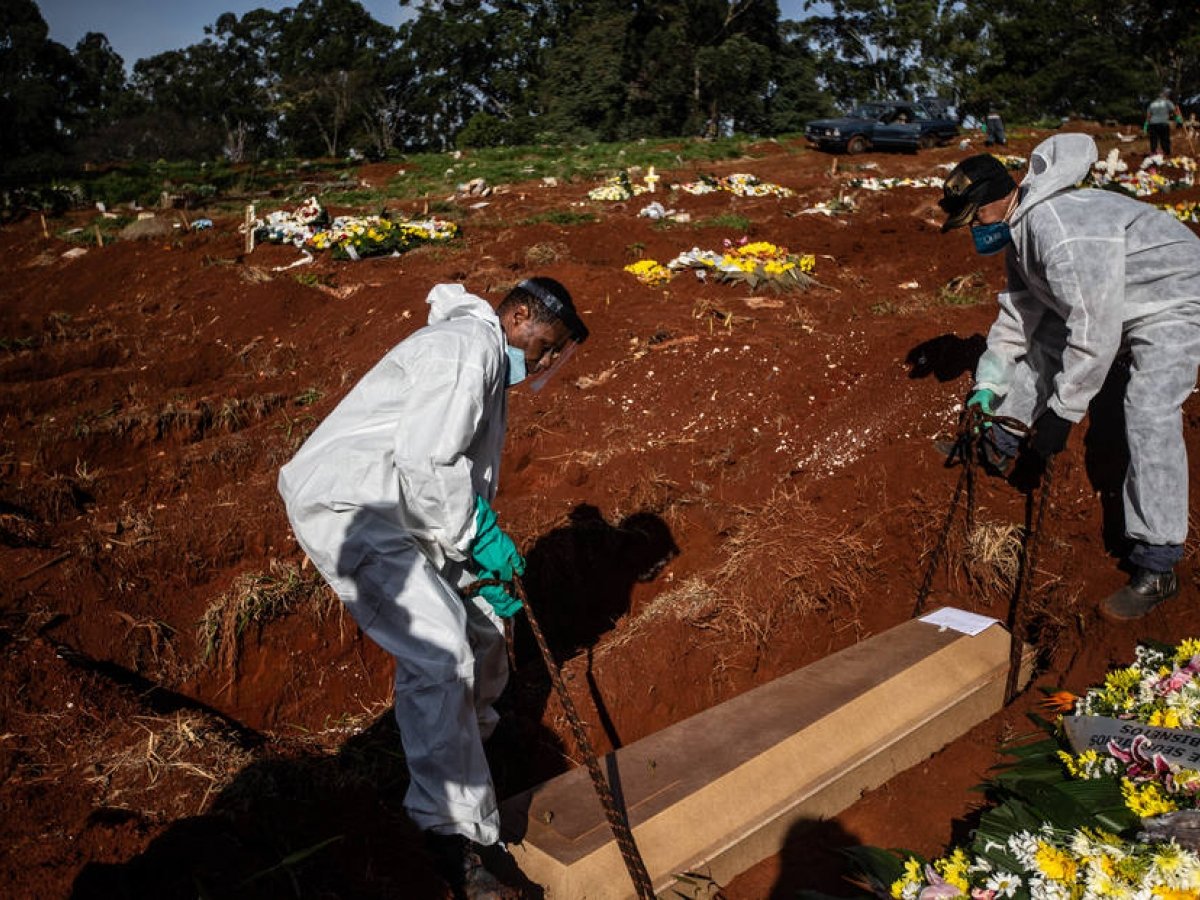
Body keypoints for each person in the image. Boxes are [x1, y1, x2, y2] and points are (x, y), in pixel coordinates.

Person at [277, 278, 589, 897]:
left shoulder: (486, 366)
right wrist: (479, 539)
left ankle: (473, 749)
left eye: (555, 354)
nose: (546, 361)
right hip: (352, 509)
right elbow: (429, 465)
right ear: (518, 314)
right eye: (545, 344)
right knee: (440, 653)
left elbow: (443, 484)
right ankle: (449, 833)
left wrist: (479, 568)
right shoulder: (468, 348)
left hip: (401, 510)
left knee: (481, 629)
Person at [938, 134, 1200, 620]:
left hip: (1177, 296)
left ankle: (1158, 561)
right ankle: (1003, 435)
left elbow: (1095, 332)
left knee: (1148, 408)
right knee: (1046, 344)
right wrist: (989, 389)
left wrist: (1064, 412)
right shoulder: (1022, 234)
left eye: (974, 214)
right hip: (1119, 299)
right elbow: (1019, 319)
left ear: (998, 196)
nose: (972, 226)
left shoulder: (1059, 231)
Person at [1144, 88, 1183, 156]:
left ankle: (1153, 152)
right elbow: (1174, 111)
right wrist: (1178, 119)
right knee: (1165, 139)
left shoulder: (1152, 104)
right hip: (1163, 123)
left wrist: (1146, 125)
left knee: (1153, 140)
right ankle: (1167, 153)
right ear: (1165, 96)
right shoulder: (1167, 102)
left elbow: (1148, 115)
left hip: (1153, 124)